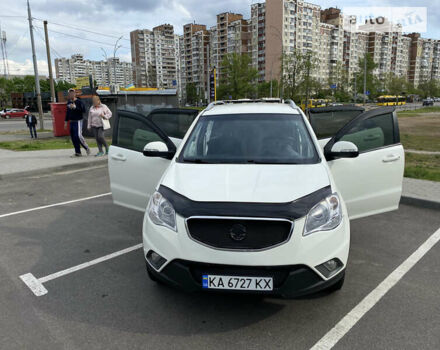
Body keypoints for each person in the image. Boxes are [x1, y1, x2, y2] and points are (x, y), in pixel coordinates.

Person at [65, 88, 90, 157]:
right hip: (72, 122)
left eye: (72, 93)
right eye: (70, 93)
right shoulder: (69, 102)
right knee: (73, 137)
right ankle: (78, 152)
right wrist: (66, 121)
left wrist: (75, 107)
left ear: (75, 94)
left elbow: (83, 110)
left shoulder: (79, 102)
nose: (71, 94)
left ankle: (86, 147)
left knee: (78, 136)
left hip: (78, 121)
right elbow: (68, 112)